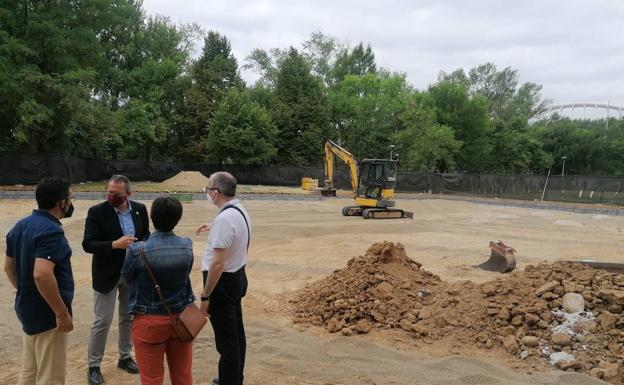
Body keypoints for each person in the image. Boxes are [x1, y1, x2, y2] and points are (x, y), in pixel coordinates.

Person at [4, 177, 75, 385]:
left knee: (30, 370)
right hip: (48, 314)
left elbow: (9, 267)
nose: (71, 203)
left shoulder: (21, 226)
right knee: (50, 376)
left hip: (27, 308)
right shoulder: (51, 232)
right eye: (70, 198)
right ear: (60, 202)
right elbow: (42, 274)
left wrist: (26, 291)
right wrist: (61, 313)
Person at [82, 175, 150, 385]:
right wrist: (113, 245)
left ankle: (125, 356)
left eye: (117, 194)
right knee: (102, 320)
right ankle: (94, 365)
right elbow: (88, 244)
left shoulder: (139, 209)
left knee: (127, 317)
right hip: (106, 273)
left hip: (132, 272)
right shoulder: (97, 212)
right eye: (109, 191)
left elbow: (146, 234)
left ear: (129, 194)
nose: (111, 196)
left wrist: (142, 246)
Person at [122, 196, 196, 385]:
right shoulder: (187, 245)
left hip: (148, 320)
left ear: (152, 218)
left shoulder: (137, 250)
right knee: (183, 375)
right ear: (177, 219)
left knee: (151, 378)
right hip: (181, 318)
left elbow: (128, 277)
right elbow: (185, 274)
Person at [196, 171, 251, 385]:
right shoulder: (239, 211)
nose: (207, 193)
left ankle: (230, 380)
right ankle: (234, 377)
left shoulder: (225, 219)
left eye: (208, 190)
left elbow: (217, 264)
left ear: (216, 193)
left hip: (223, 285)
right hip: (237, 279)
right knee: (236, 333)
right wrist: (214, 227)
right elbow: (233, 230)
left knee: (226, 342)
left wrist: (205, 295)